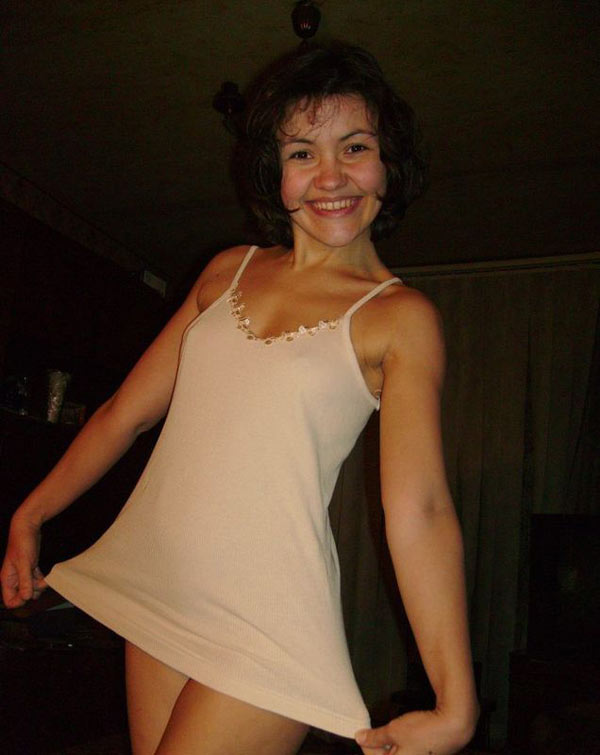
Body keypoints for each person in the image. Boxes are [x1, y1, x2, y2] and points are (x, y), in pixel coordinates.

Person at [1, 43, 478, 755]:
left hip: (268, 621)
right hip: (162, 587)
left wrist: (455, 702)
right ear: (274, 174)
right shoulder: (225, 271)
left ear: (389, 164)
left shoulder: (399, 317)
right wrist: (30, 513)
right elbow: (125, 414)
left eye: (355, 147)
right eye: (301, 154)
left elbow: (421, 508)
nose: (330, 177)